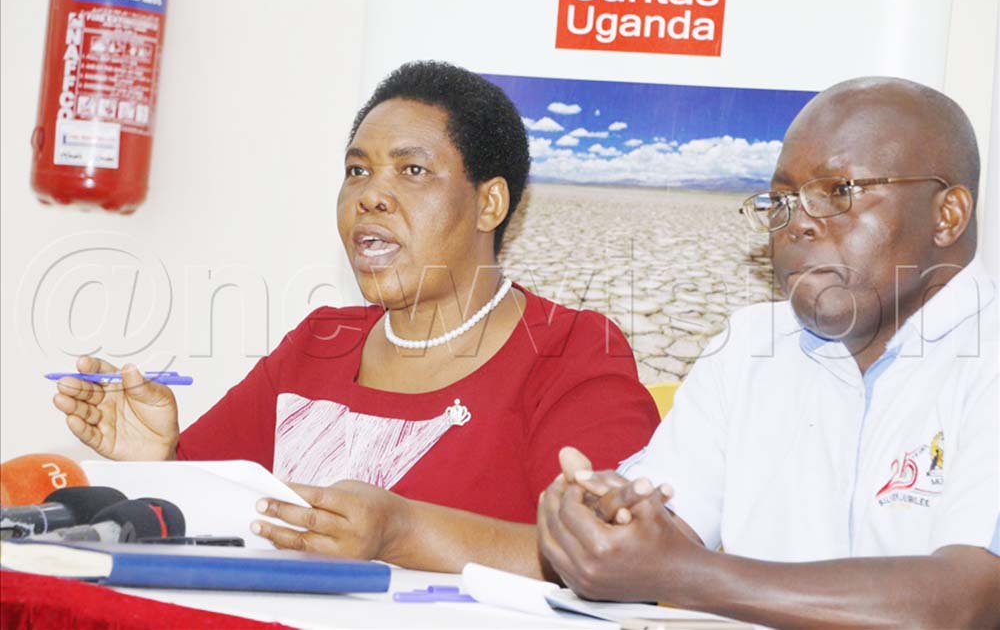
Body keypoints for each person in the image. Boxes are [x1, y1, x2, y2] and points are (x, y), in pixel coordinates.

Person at [53, 61, 660, 576]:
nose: (370, 194)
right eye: (357, 170)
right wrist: (158, 461)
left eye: (412, 170)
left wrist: (403, 533)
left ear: (489, 203)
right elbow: (223, 519)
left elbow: (612, 557)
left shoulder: (574, 352)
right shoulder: (321, 341)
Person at [538, 77, 999, 628]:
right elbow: (665, 529)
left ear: (947, 215)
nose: (798, 221)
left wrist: (684, 573)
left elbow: (970, 602)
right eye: (782, 200)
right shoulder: (750, 347)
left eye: (839, 192)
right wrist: (601, 522)